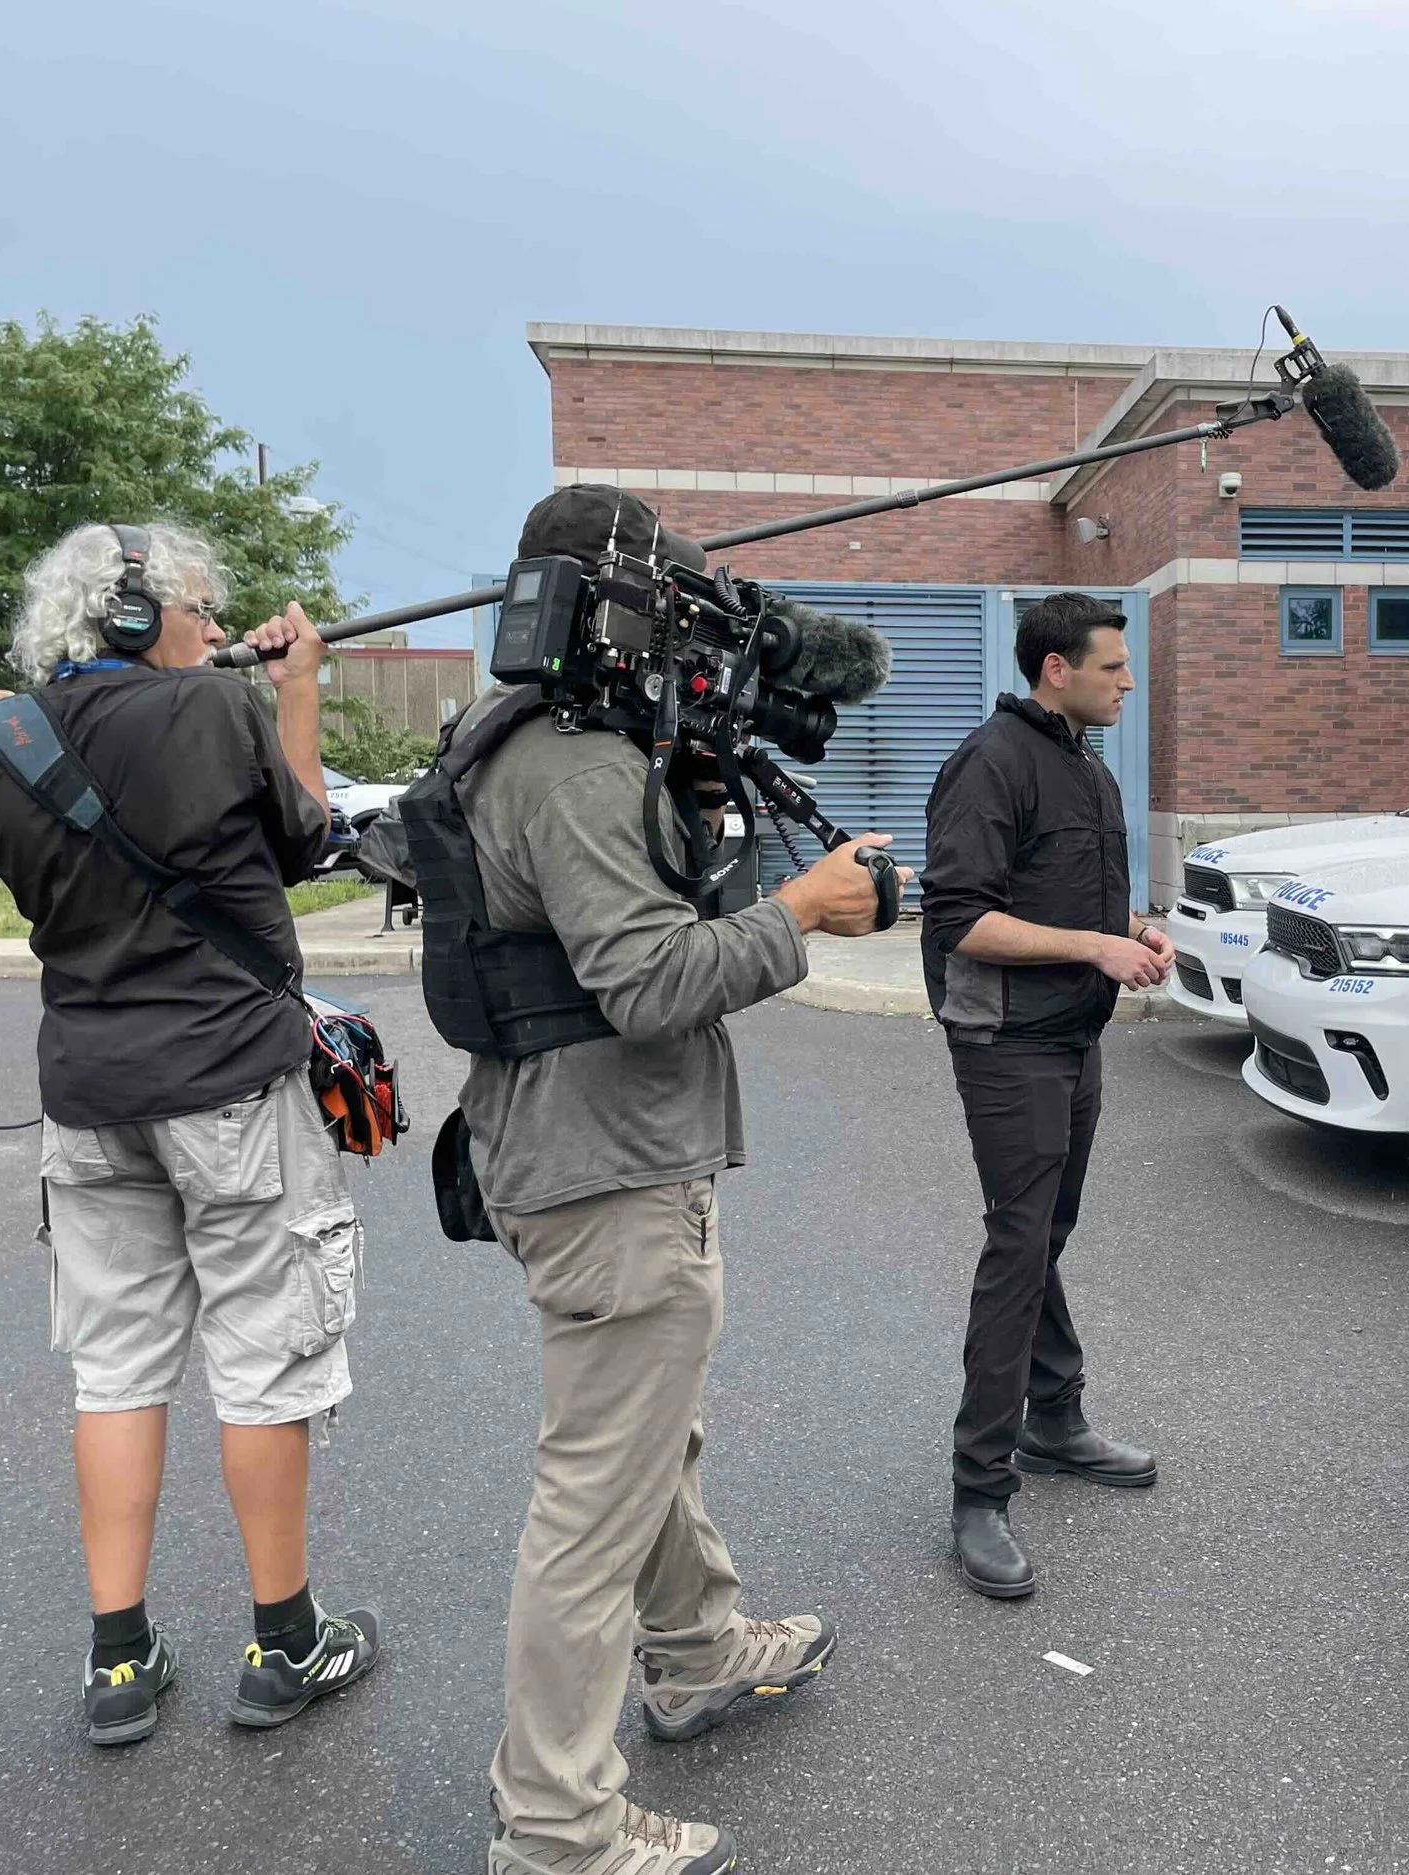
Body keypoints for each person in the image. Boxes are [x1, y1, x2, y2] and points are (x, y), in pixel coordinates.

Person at [0, 521, 380, 1747]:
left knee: (118, 1371)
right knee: (265, 1363)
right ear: (135, 616)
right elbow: (309, 841)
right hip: (234, 1090)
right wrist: (296, 688)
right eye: (198, 609)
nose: (213, 630)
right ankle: (286, 1643)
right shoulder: (219, 709)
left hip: (90, 1106)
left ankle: (120, 1659)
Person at [456, 486, 900, 1875]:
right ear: (618, 611)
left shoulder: (519, 738)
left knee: (650, 1442)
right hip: (606, 1174)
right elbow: (647, 983)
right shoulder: (578, 768)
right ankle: (556, 1825)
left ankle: (700, 1650)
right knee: (591, 1507)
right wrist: (800, 911)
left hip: (578, 1150)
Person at [920, 591, 1171, 1599]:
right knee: (1017, 1245)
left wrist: (1135, 930)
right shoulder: (991, 762)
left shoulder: (1084, 765)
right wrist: (1096, 947)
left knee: (1044, 1234)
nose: (1128, 681)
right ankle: (979, 1490)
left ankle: (1055, 1420)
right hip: (1007, 1040)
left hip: (1074, 1034)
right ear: (1056, 668)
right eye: (1113, 665)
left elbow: (1074, 892)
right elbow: (960, 918)